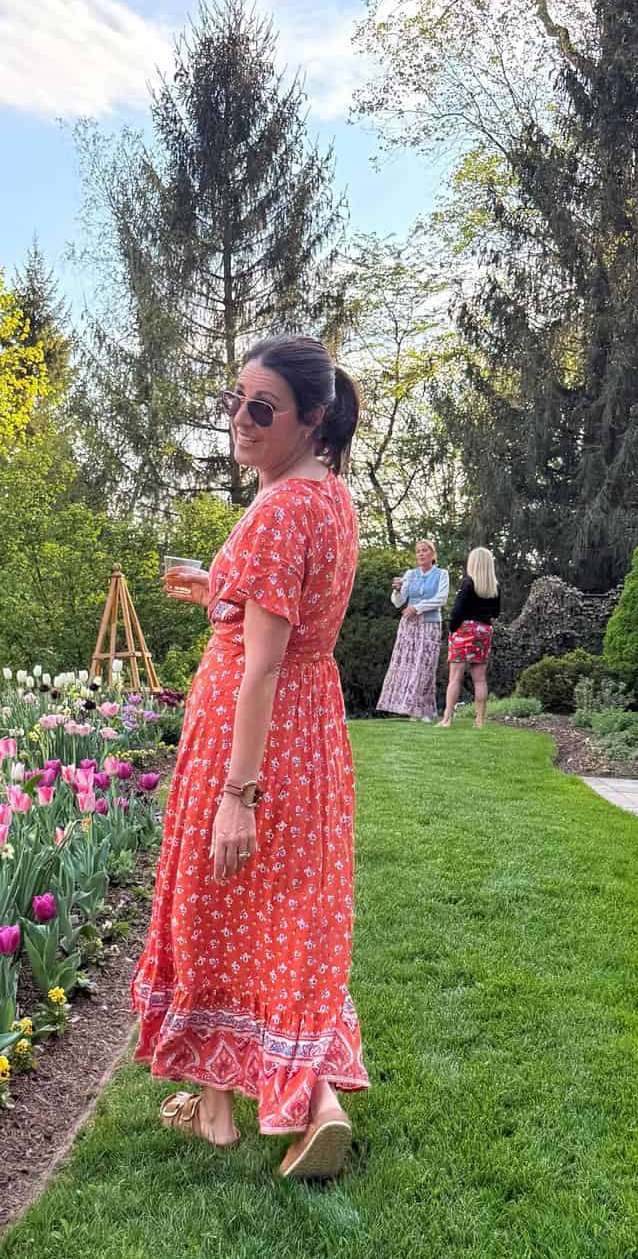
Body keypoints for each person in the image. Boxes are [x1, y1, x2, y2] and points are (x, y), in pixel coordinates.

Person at [132, 335, 369, 1182]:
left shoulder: (276, 512)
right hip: (312, 733)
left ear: (311, 417)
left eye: (261, 407)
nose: (241, 417)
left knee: (212, 904)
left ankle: (223, 1110)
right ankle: (302, 1100)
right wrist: (217, 588)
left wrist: (239, 792)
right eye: (235, 400)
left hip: (253, 733)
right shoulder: (329, 497)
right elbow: (289, 615)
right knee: (287, 914)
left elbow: (262, 664)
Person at [376, 539, 448, 721]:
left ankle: (423, 709)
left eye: (425, 550)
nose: (421, 554)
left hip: (430, 624)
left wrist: (417, 607)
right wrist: (397, 591)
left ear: (433, 554)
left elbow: (441, 599)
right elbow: (398, 602)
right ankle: (410, 709)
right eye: (418, 551)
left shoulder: (442, 574)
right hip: (409, 626)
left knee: (424, 666)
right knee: (407, 666)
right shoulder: (410, 574)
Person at [440, 548, 501, 728]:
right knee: (480, 679)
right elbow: (496, 613)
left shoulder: (468, 583)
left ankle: (447, 719)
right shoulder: (495, 586)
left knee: (455, 677)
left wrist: (452, 629)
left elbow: (457, 611)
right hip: (484, 631)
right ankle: (480, 721)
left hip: (464, 630)